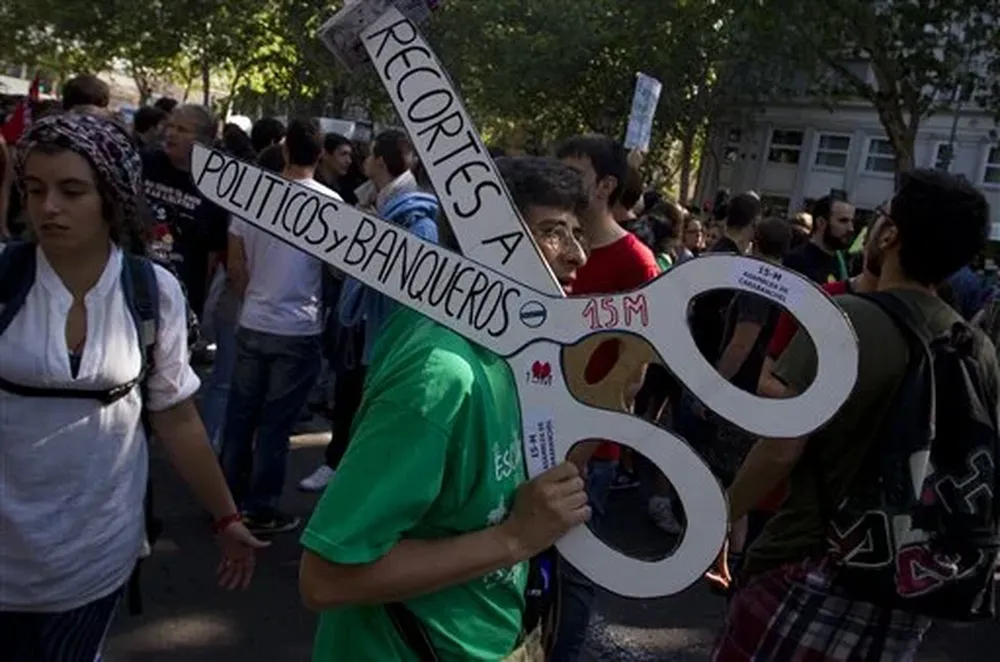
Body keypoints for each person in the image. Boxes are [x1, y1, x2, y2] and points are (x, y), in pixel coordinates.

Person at [298, 156, 591, 661]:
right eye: (553, 232)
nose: (578, 256)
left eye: (576, 232)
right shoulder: (439, 378)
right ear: (486, 241)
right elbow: (325, 579)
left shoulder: (514, 350)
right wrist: (516, 538)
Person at [0, 112, 264, 662]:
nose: (49, 207)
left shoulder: (153, 292)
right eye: (35, 189)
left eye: (72, 190)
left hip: (93, 558)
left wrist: (227, 517)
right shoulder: (5, 279)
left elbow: (177, 416)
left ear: (112, 197)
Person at [715, 169, 996, 660]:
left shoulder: (843, 320)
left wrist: (721, 517)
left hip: (809, 564)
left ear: (889, 235)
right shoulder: (979, 348)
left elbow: (782, 446)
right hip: (909, 583)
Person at [555, 134, 660, 661]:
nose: (560, 185)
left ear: (605, 186)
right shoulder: (542, 244)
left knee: (573, 573)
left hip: (589, 450)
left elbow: (631, 378)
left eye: (572, 174)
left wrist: (581, 452)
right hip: (529, 431)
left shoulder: (637, 264)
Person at [299, 129, 439, 493]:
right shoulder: (378, 200)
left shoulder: (411, 215)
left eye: (369, 153)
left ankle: (353, 475)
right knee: (349, 397)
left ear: (380, 160)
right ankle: (340, 465)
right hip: (365, 324)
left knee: (366, 402)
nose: (361, 160)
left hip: (383, 328)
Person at [221, 118, 338, 534]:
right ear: (321, 154)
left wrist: (253, 299)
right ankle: (261, 508)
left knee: (240, 416)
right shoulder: (330, 205)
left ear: (285, 149)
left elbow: (235, 266)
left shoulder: (252, 196)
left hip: (254, 320)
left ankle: (227, 503)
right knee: (275, 425)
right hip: (298, 327)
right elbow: (335, 271)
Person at [142, 104, 229, 320]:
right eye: (170, 126)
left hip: (181, 295)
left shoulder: (216, 185)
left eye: (182, 130)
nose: (171, 134)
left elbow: (213, 254)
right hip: (137, 282)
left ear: (204, 141)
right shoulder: (145, 163)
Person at [782, 194, 855, 285]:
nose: (850, 228)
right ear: (821, 222)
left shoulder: (841, 260)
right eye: (843, 221)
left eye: (852, 221)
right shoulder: (797, 260)